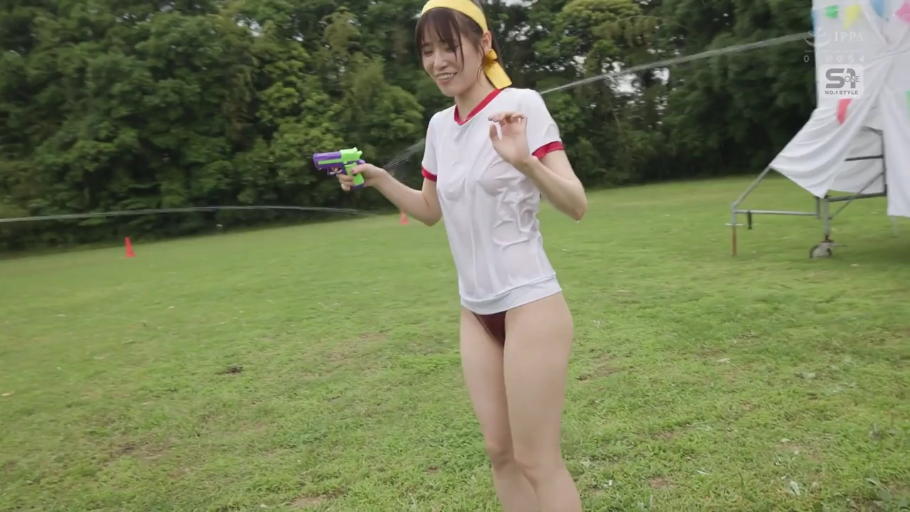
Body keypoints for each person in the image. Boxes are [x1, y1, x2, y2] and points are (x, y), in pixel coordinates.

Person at [335, 0, 587, 510]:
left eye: (449, 46)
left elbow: (576, 204)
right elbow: (430, 210)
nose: (438, 61)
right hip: (475, 310)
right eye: (428, 50)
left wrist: (526, 163)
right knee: (500, 453)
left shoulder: (521, 105)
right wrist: (379, 178)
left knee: (537, 461)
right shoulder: (439, 127)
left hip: (529, 302)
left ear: (484, 43)